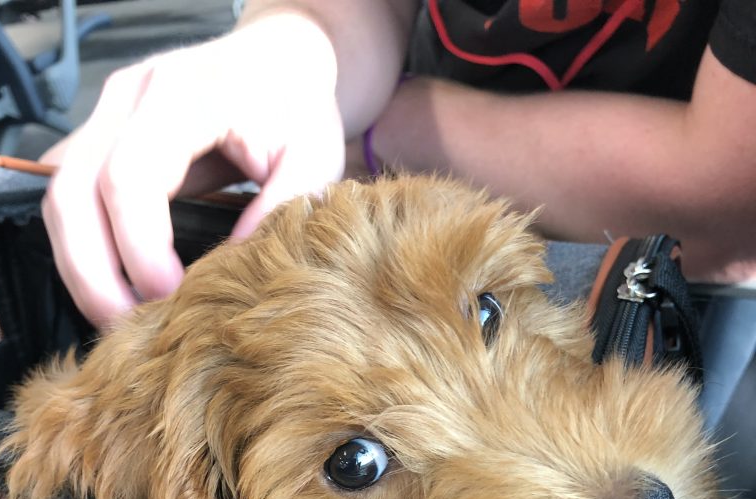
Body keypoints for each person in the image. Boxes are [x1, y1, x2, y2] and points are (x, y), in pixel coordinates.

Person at [40, 0, 756, 327]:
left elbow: (718, 200)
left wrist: (385, 126)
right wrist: (291, 56)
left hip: (667, 280)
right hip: (395, 170)